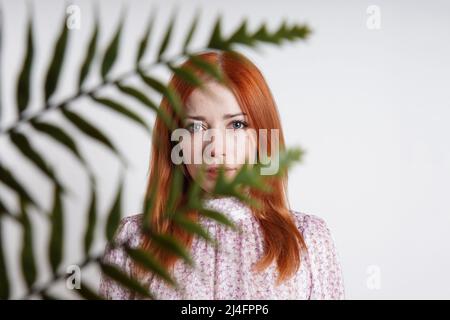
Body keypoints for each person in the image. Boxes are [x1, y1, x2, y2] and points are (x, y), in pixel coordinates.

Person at [98, 50, 345, 299]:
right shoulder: (134, 240)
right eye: (195, 127)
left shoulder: (307, 241)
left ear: (263, 136)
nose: (215, 148)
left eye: (237, 125)